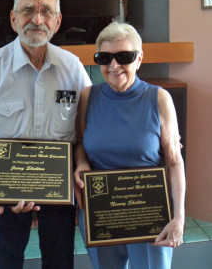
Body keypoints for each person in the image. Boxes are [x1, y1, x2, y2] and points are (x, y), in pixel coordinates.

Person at [0, 0, 91, 269]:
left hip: (58, 186)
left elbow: (85, 129)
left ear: (57, 21)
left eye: (46, 11)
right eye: (28, 10)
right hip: (5, 187)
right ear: (13, 18)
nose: (37, 19)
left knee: (60, 261)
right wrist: (0, 184)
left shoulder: (73, 68)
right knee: (5, 262)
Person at [74, 22, 186, 269]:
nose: (113, 66)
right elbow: (81, 143)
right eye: (104, 58)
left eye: (123, 57)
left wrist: (179, 216)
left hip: (149, 210)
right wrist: (81, 163)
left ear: (139, 59)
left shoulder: (158, 98)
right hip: (101, 210)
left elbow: (174, 161)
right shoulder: (87, 97)